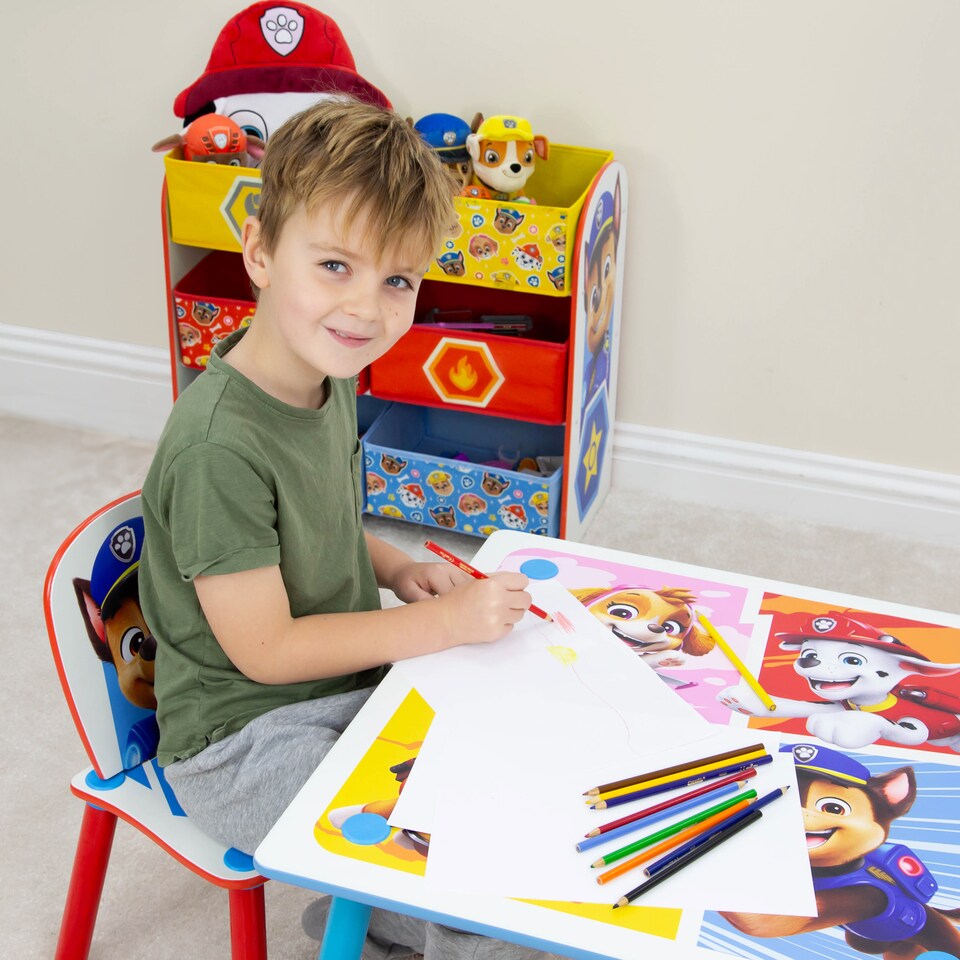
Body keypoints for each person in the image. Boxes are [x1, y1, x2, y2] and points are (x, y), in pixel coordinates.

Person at [141, 98, 556, 959]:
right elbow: (267, 652)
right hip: (247, 739)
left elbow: (318, 519)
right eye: (335, 265)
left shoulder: (326, 377)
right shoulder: (220, 446)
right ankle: (373, 920)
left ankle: (360, 922)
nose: (366, 308)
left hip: (339, 685)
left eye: (397, 280)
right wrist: (433, 624)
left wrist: (396, 566)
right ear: (257, 250)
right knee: (481, 901)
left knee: (518, 760)